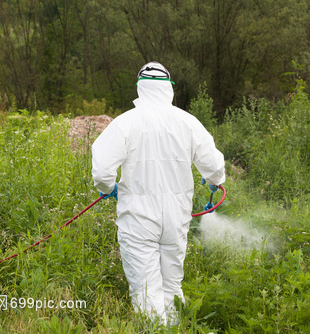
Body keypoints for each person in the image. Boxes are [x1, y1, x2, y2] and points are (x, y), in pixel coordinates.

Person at [91, 61, 225, 325]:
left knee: (145, 289)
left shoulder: (126, 122)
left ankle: (156, 330)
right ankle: (176, 328)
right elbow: (214, 165)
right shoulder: (187, 121)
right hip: (176, 219)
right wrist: (213, 181)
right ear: (169, 88)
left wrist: (109, 189)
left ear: (140, 88)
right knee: (172, 284)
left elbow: (102, 170)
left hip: (139, 220)